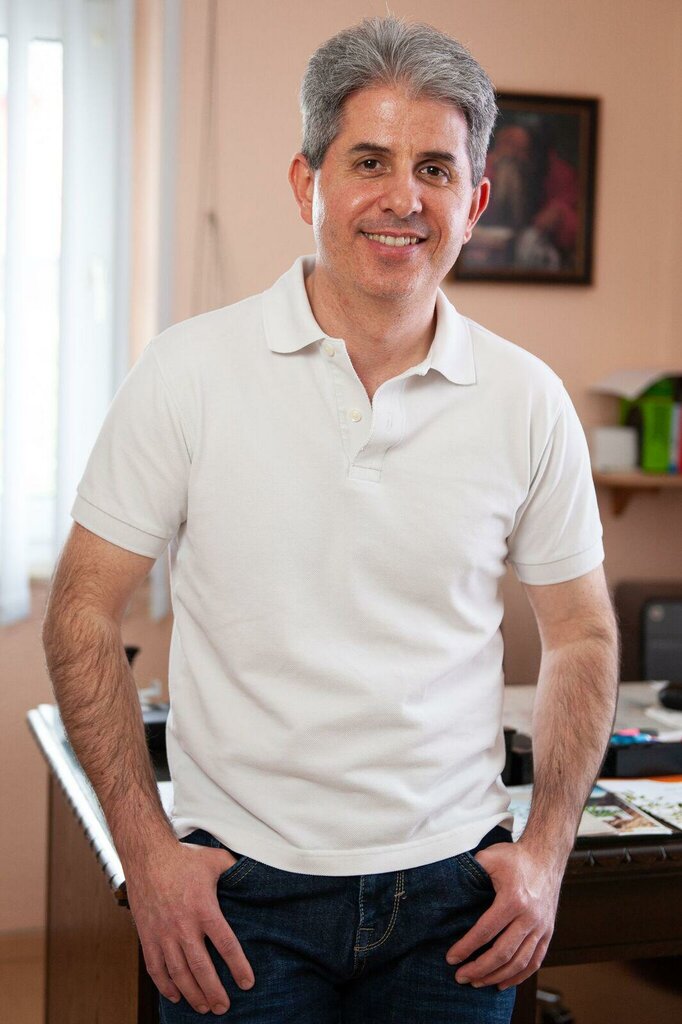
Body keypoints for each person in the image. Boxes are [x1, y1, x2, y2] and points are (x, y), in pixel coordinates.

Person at [42, 15, 619, 1024]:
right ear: (307, 183)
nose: (403, 198)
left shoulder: (527, 399)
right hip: (241, 895)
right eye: (370, 161)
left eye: (435, 169)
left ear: (475, 202)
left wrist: (545, 853)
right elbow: (82, 610)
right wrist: (146, 853)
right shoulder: (187, 373)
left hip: (454, 899)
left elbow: (582, 635)